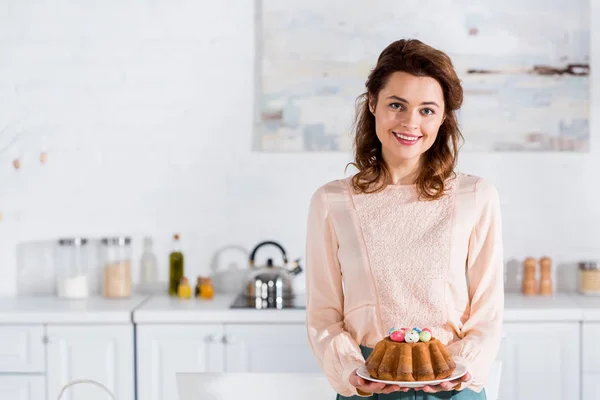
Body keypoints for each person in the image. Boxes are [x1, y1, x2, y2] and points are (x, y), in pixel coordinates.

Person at [305, 38, 503, 400]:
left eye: (427, 110)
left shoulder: (476, 197)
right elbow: (323, 315)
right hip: (367, 383)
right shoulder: (333, 202)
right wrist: (351, 371)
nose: (411, 122)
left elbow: (487, 314)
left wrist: (464, 367)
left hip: (453, 385)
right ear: (373, 105)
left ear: (443, 118)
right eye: (397, 105)